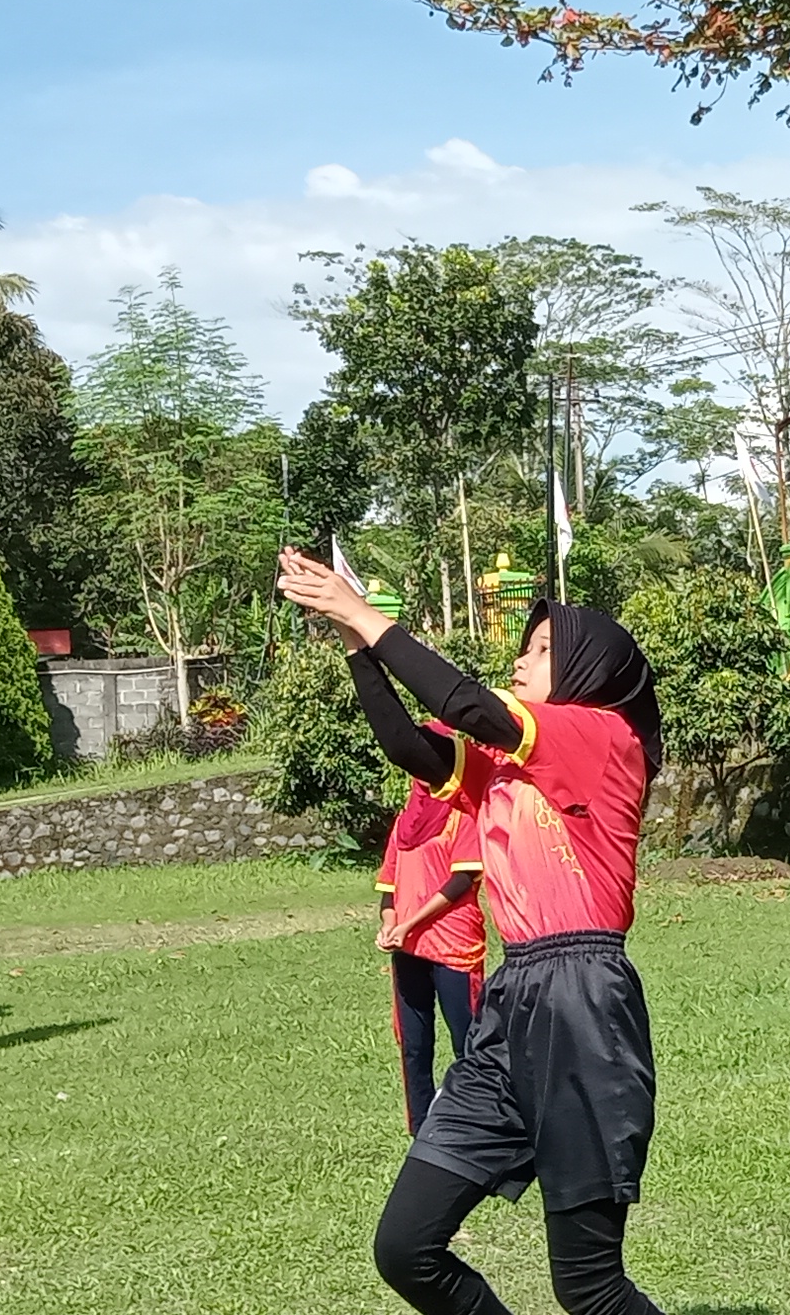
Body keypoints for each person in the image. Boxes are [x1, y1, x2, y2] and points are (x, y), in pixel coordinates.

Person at [279, 546, 670, 1315]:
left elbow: (466, 704)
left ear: (589, 670)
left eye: (542, 650)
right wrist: (355, 641)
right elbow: (408, 744)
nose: (521, 661)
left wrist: (362, 611)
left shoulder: (603, 738)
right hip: (512, 1000)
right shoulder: (505, 765)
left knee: (589, 1288)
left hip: (582, 1006)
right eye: (524, 648)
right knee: (406, 1248)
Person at [372, 729, 487, 1130]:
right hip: (408, 948)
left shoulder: (463, 812)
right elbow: (389, 887)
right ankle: (421, 1128)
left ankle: (479, 1122)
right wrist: (390, 926)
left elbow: (461, 882)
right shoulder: (405, 824)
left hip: (453, 945)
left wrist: (409, 923)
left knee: (469, 1040)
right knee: (414, 1044)